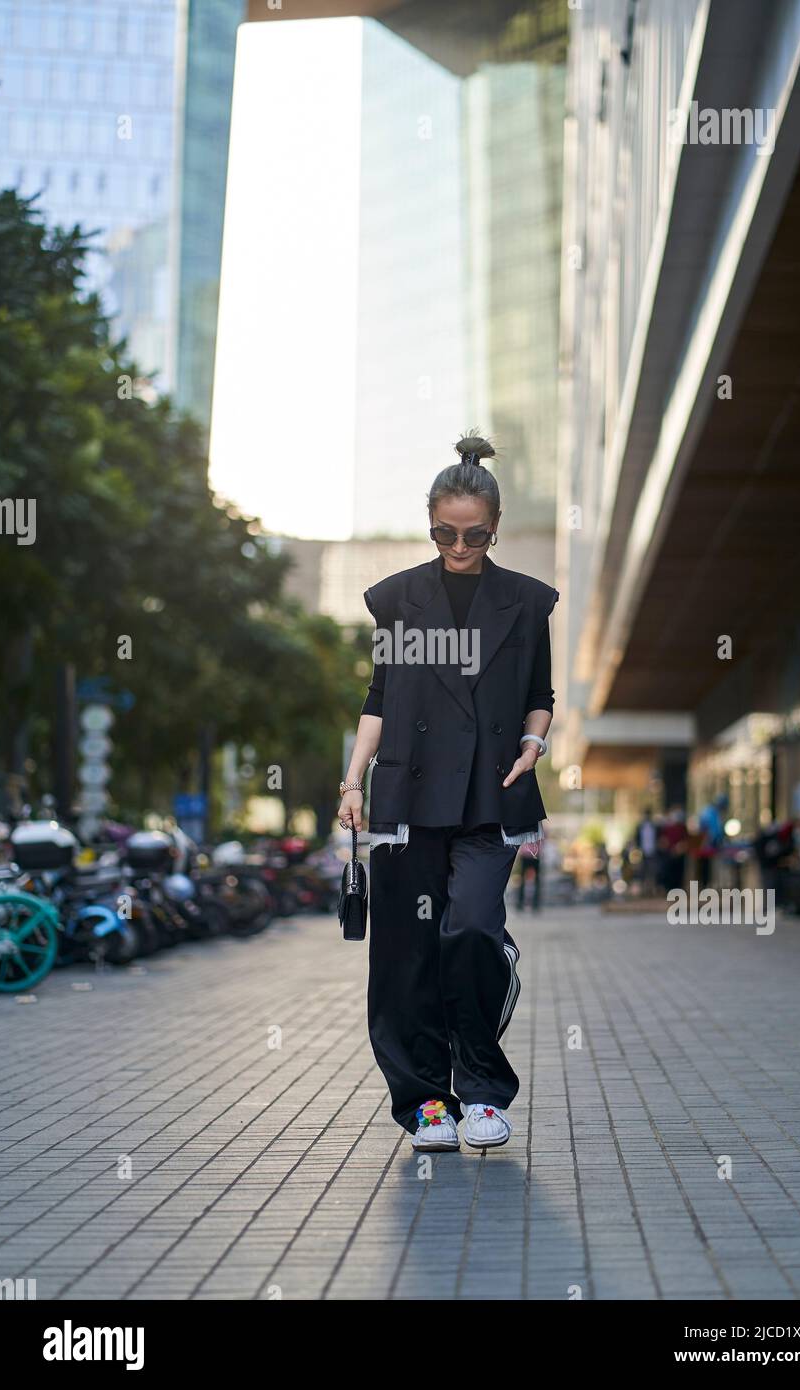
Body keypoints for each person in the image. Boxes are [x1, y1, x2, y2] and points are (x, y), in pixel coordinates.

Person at [337, 431, 558, 1153]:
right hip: (408, 793)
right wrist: (352, 781)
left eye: (474, 534)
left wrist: (535, 744)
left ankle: (484, 1091)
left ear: (495, 528)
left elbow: (538, 694)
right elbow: (380, 697)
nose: (459, 546)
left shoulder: (526, 603)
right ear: (428, 521)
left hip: (492, 794)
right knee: (407, 951)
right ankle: (427, 1103)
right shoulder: (397, 599)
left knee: (468, 928)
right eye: (444, 532)